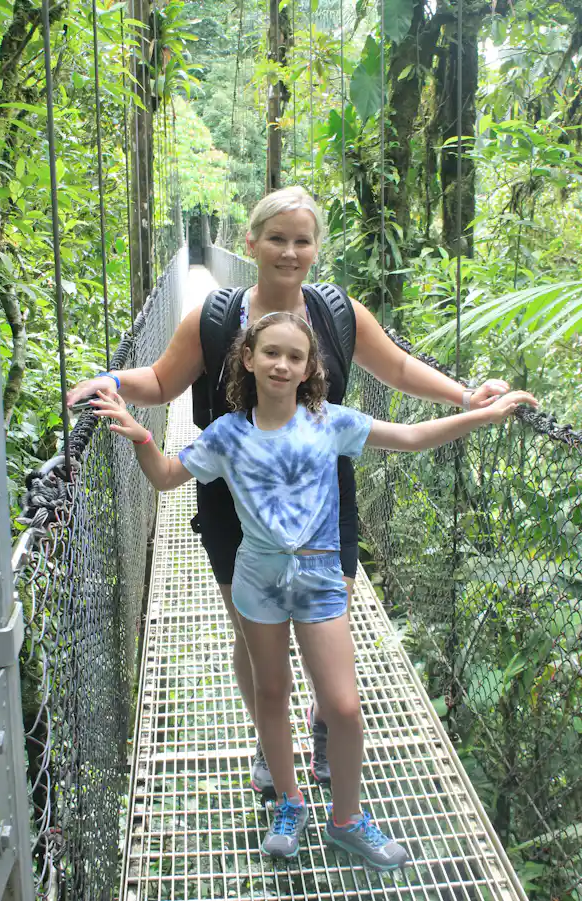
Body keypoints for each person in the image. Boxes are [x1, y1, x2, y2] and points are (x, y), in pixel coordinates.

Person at [67, 185, 512, 795]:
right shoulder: (216, 317)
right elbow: (163, 382)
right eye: (276, 238)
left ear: (316, 249)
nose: (289, 251)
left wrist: (466, 396)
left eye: (302, 240)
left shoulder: (336, 313)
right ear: (249, 243)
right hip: (232, 499)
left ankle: (325, 725)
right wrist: (110, 380)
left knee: (330, 618)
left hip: (322, 499)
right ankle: (269, 739)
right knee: (252, 638)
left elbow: (401, 370)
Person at [90, 311, 537, 867]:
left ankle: (347, 819)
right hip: (260, 581)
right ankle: (291, 803)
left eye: (294, 356)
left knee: (344, 708)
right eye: (270, 353)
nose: (281, 364)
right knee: (272, 696)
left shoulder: (330, 422)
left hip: (321, 579)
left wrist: (483, 412)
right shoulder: (226, 433)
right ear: (247, 359)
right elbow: (164, 476)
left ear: (308, 369)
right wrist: (140, 438)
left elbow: (414, 437)